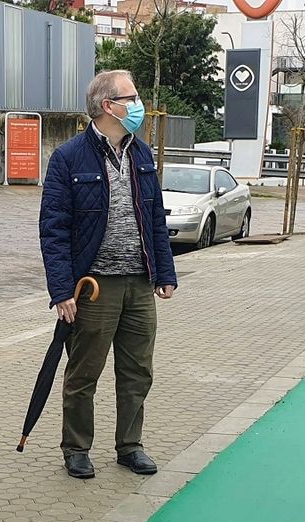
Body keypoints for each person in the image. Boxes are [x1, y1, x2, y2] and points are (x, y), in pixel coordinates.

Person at [39, 69, 178, 480]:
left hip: (139, 283)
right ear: (108, 106)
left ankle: (130, 446)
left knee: (138, 371)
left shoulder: (141, 154)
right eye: (131, 98)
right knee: (84, 373)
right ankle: (77, 448)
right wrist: (62, 291)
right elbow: (53, 230)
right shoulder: (69, 158)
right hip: (94, 287)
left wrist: (164, 272)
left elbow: (155, 218)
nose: (138, 106)